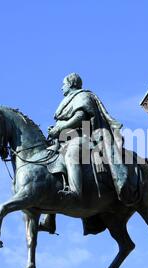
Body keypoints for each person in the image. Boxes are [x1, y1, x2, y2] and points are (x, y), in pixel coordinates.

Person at [39, 73, 139, 234]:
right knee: (47, 162)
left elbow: (81, 117)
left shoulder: (83, 96)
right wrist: (55, 130)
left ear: (71, 83)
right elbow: (63, 122)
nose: (61, 86)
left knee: (71, 154)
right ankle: (49, 219)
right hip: (64, 140)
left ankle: (75, 192)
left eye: (63, 83)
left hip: (84, 137)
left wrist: (60, 128)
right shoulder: (66, 101)